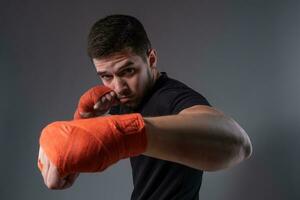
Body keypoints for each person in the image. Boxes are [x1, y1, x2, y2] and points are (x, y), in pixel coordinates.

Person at [37, 14, 252, 199]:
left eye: (128, 71)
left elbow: (239, 144)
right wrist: (83, 120)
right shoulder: (123, 100)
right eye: (106, 76)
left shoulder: (171, 97)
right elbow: (60, 178)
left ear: (151, 59)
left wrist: (127, 134)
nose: (118, 87)